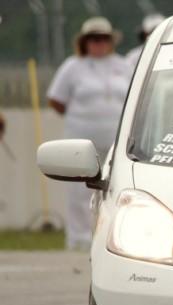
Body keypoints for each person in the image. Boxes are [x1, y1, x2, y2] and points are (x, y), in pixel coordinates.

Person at [47, 17, 131, 251]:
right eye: (94, 39)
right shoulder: (73, 66)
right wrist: (84, 116)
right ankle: (79, 238)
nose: (99, 43)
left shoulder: (123, 65)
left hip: (116, 138)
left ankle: (113, 238)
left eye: (103, 38)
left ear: (110, 41)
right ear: (85, 42)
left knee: (117, 186)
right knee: (78, 189)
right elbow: (56, 99)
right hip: (81, 136)